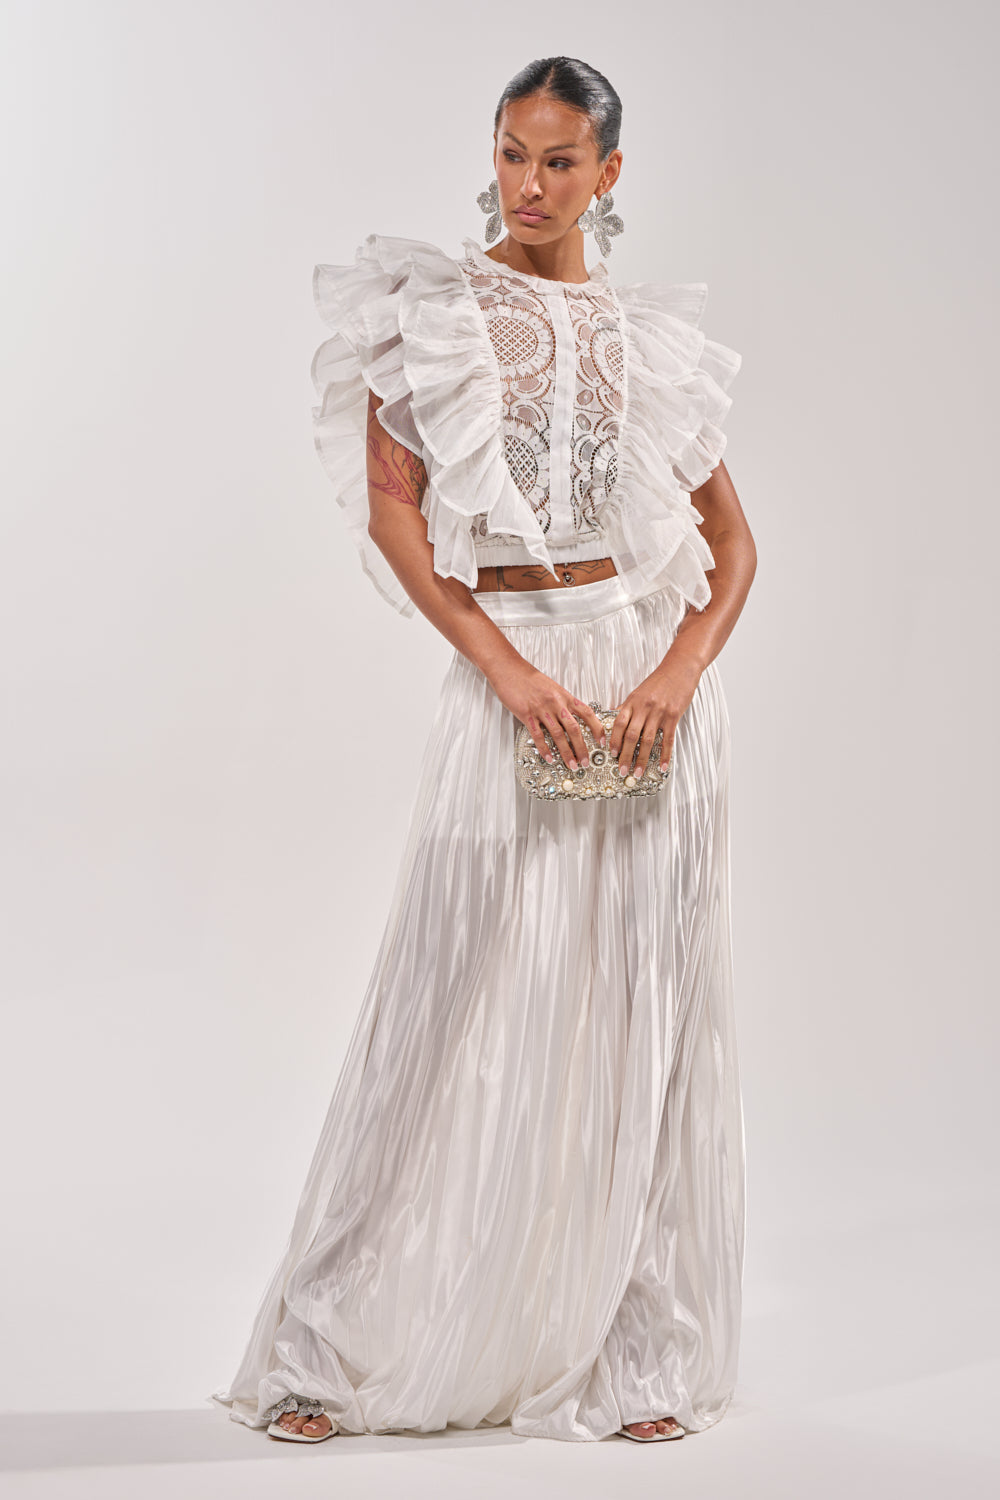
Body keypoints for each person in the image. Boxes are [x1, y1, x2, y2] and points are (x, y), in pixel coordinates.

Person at [211, 54, 757, 1447]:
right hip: (511, 683)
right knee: (441, 997)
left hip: (647, 694)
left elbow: (736, 549)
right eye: (513, 154)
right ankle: (323, 1352)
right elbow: (394, 509)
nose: (528, 184)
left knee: (651, 1014)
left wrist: (678, 678)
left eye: (560, 161)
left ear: (609, 175)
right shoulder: (433, 314)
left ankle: (649, 1359)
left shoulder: (655, 341)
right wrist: (506, 669)